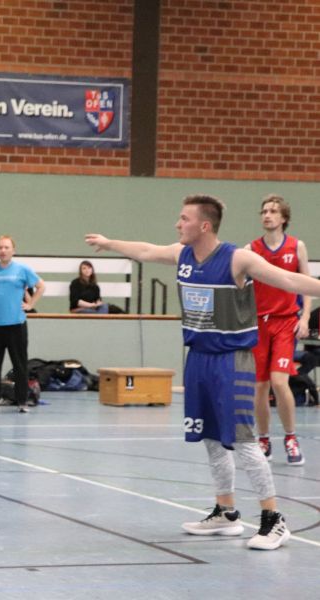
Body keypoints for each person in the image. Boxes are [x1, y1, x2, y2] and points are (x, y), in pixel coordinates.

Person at [84, 194, 320, 551]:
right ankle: (226, 512)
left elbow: (290, 280)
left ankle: (274, 519)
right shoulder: (182, 255)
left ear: (204, 226)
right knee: (210, 438)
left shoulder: (237, 259)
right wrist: (109, 243)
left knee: (243, 441)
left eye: (184, 219)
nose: (178, 224)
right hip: (198, 358)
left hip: (232, 360)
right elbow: (145, 250)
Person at [244, 194, 310, 466]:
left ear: (284, 218)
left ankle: (291, 437)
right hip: (259, 323)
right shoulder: (251, 249)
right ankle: (263, 439)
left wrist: (305, 318)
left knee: (280, 382)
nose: (267, 215)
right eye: (264, 211)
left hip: (285, 322)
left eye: (272, 211)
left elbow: (306, 284)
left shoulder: (296, 246)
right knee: (259, 386)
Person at [0, 235, 45, 412]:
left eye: (6, 247)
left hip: (16, 325)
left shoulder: (22, 270)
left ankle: (22, 400)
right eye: (0, 247)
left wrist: (30, 304)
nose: (3, 250)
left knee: (19, 364)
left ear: (13, 250)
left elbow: (41, 286)